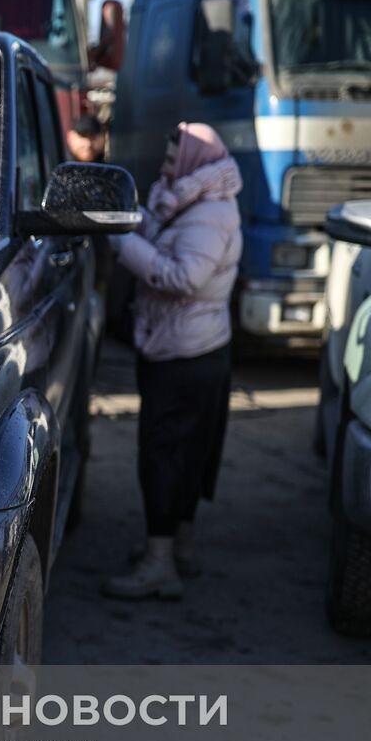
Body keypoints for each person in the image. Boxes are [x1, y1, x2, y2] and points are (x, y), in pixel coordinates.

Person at [102, 123, 243, 601]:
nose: (164, 169)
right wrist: (128, 219)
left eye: (171, 160)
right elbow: (162, 235)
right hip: (188, 346)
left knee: (164, 456)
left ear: (192, 162)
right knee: (188, 452)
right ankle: (178, 546)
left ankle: (158, 564)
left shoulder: (210, 213)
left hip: (184, 354)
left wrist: (124, 245)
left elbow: (186, 277)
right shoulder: (186, 198)